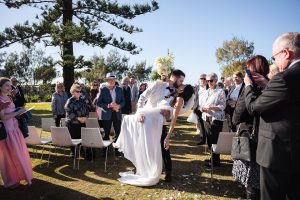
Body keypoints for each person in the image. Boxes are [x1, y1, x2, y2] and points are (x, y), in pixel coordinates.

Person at [114, 60, 189, 186]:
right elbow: (142, 97)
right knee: (145, 146)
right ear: (174, 78)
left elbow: (174, 110)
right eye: (180, 80)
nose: (182, 83)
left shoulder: (177, 92)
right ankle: (144, 169)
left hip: (161, 122)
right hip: (147, 121)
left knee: (164, 147)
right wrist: (140, 114)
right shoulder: (157, 84)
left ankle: (168, 172)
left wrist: (169, 114)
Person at [244, 32, 300, 200]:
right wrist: (268, 85)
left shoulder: (285, 78)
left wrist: (248, 86)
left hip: (278, 155)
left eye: (274, 57)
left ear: (286, 53)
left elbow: (254, 107)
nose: (274, 62)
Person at [232, 55, 269, 200]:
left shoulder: (250, 88)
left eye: (248, 68)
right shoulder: (271, 86)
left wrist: (247, 87)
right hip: (267, 140)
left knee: (251, 182)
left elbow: (237, 117)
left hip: (250, 140)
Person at [0, 77, 32, 188]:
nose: (10, 88)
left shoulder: (9, 98)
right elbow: (3, 117)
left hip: (15, 128)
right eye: (7, 85)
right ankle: (11, 179)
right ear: (0, 87)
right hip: (7, 131)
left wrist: (19, 111)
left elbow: (11, 112)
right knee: (9, 156)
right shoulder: (0, 99)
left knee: (19, 153)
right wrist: (17, 112)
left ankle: (21, 175)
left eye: (10, 85)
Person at [199, 72, 226, 167]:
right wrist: (202, 108)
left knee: (215, 140)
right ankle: (212, 158)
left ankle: (216, 161)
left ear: (215, 80)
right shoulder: (206, 92)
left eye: (211, 80)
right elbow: (201, 105)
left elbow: (223, 106)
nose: (209, 82)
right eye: (207, 81)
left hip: (216, 119)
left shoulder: (220, 91)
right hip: (206, 117)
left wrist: (212, 108)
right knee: (209, 139)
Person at [97, 72, 125, 156]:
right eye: (110, 79)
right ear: (107, 80)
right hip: (107, 114)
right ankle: (105, 151)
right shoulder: (103, 89)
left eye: (113, 79)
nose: (112, 81)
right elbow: (99, 103)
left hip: (117, 113)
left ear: (115, 80)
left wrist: (119, 106)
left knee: (118, 132)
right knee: (106, 132)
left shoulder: (119, 89)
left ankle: (117, 151)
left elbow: (123, 101)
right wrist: (108, 105)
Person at [64, 83, 89, 158]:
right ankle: (73, 152)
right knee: (73, 139)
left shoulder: (82, 100)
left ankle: (82, 151)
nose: (79, 93)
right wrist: (78, 118)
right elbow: (69, 113)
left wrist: (86, 118)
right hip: (72, 124)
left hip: (82, 123)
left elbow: (87, 110)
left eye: (80, 91)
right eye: (77, 91)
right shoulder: (69, 101)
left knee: (82, 138)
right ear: (73, 92)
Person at [193, 74, 207, 145]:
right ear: (199, 80)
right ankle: (202, 139)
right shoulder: (196, 88)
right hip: (198, 109)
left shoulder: (209, 87)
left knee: (206, 125)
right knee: (201, 125)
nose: (203, 80)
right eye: (202, 78)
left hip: (207, 109)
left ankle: (208, 140)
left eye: (205, 79)